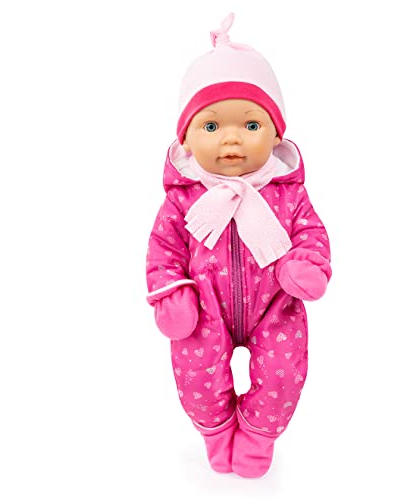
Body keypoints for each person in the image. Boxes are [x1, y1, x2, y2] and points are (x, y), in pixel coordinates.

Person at [145, 13, 332, 478]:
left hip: (276, 305)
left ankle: (257, 436)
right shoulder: (183, 198)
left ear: (276, 133)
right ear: (186, 139)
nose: (231, 138)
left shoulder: (288, 193)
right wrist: (172, 293)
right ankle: (216, 433)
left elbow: (310, 232)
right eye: (211, 127)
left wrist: (304, 264)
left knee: (284, 374)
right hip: (204, 307)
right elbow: (163, 249)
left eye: (250, 125)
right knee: (196, 371)